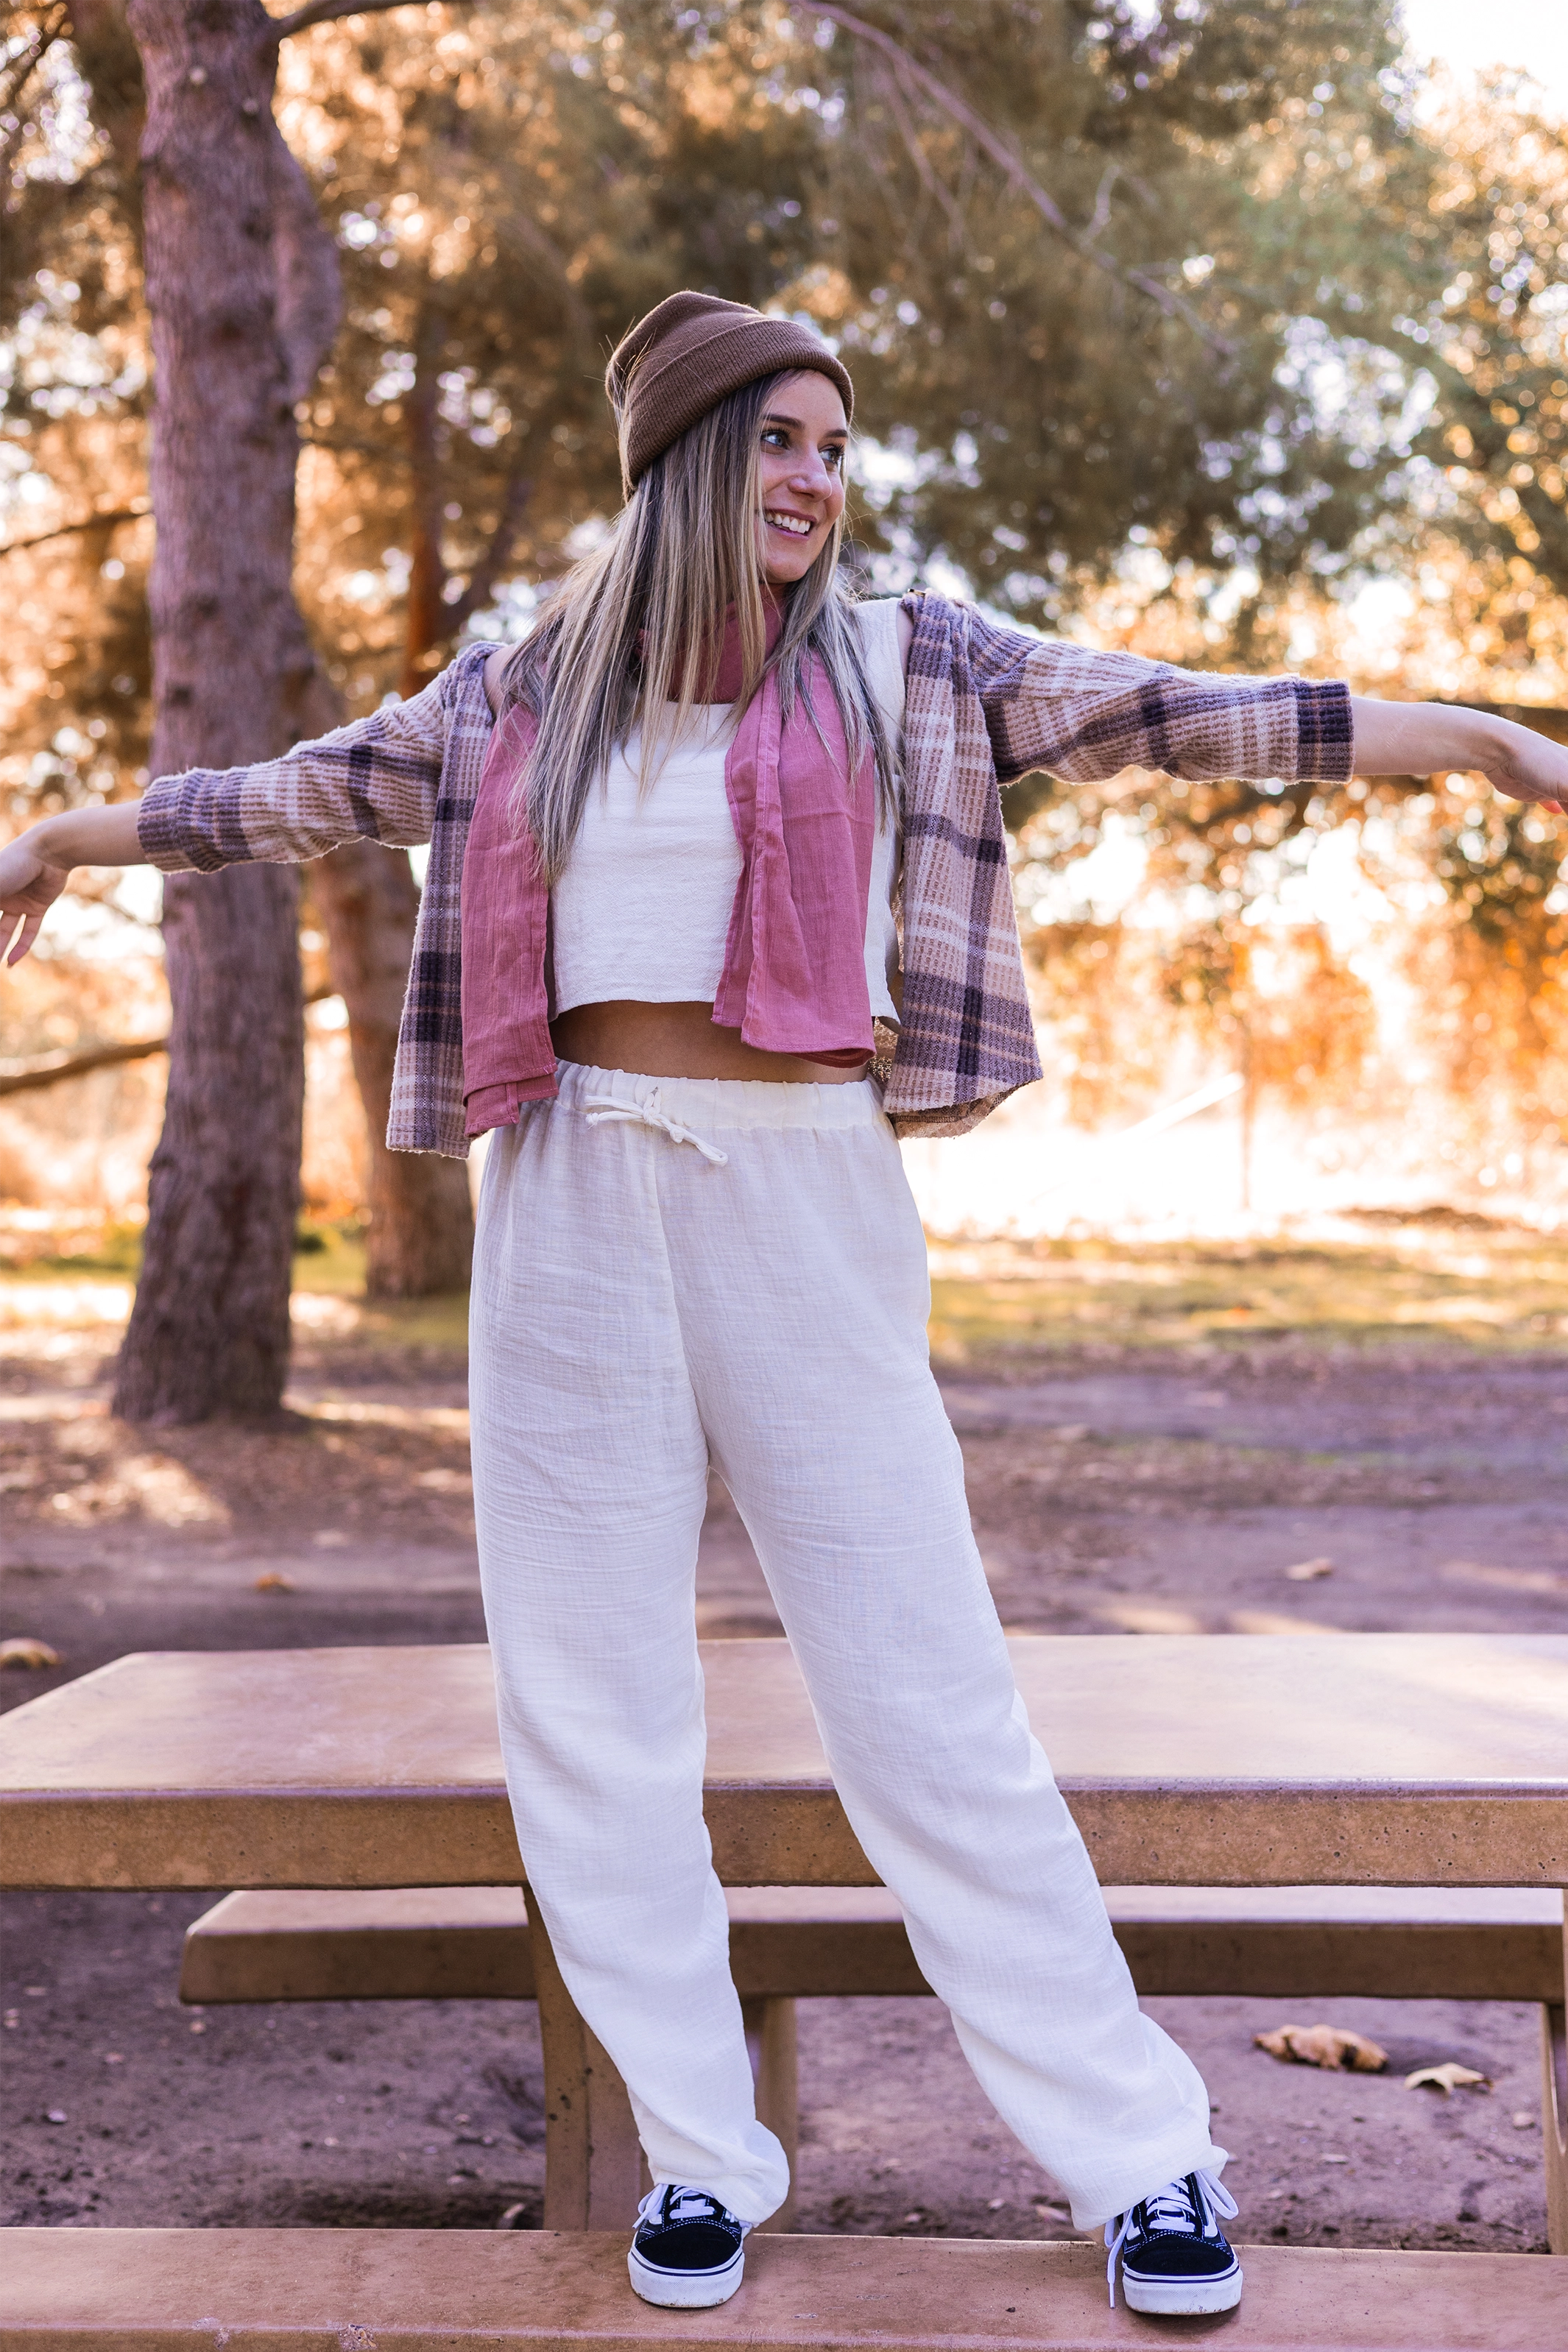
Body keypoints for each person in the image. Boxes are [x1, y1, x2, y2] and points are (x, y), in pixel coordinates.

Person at [2, 291, 1564, 2319]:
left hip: (805, 1197)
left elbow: (1211, 711)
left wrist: (1506, 745)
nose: (822, 477)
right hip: (568, 1191)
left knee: (928, 1696)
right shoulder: (517, 696)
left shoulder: (918, 666)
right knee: (590, 1713)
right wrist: (62, 829)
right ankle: (704, 2157)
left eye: (839, 444)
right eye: (782, 441)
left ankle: (1143, 2157)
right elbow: (283, 797)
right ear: (685, 465)